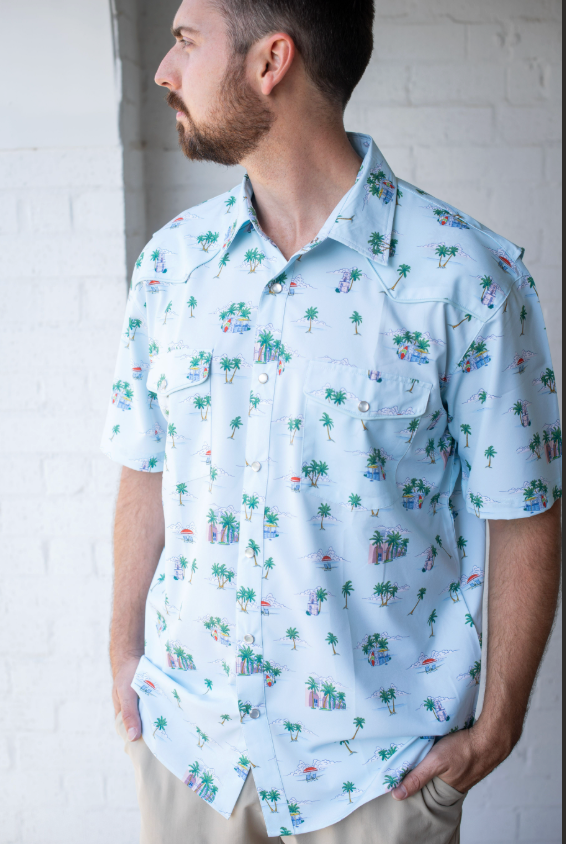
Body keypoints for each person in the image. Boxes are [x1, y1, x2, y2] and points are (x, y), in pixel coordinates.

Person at [100, 1, 562, 842]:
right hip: (190, 751)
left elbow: (523, 509)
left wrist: (498, 725)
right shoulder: (171, 266)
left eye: (187, 42)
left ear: (270, 61)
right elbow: (144, 461)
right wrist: (121, 654)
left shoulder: (465, 279)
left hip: (376, 780)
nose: (166, 71)